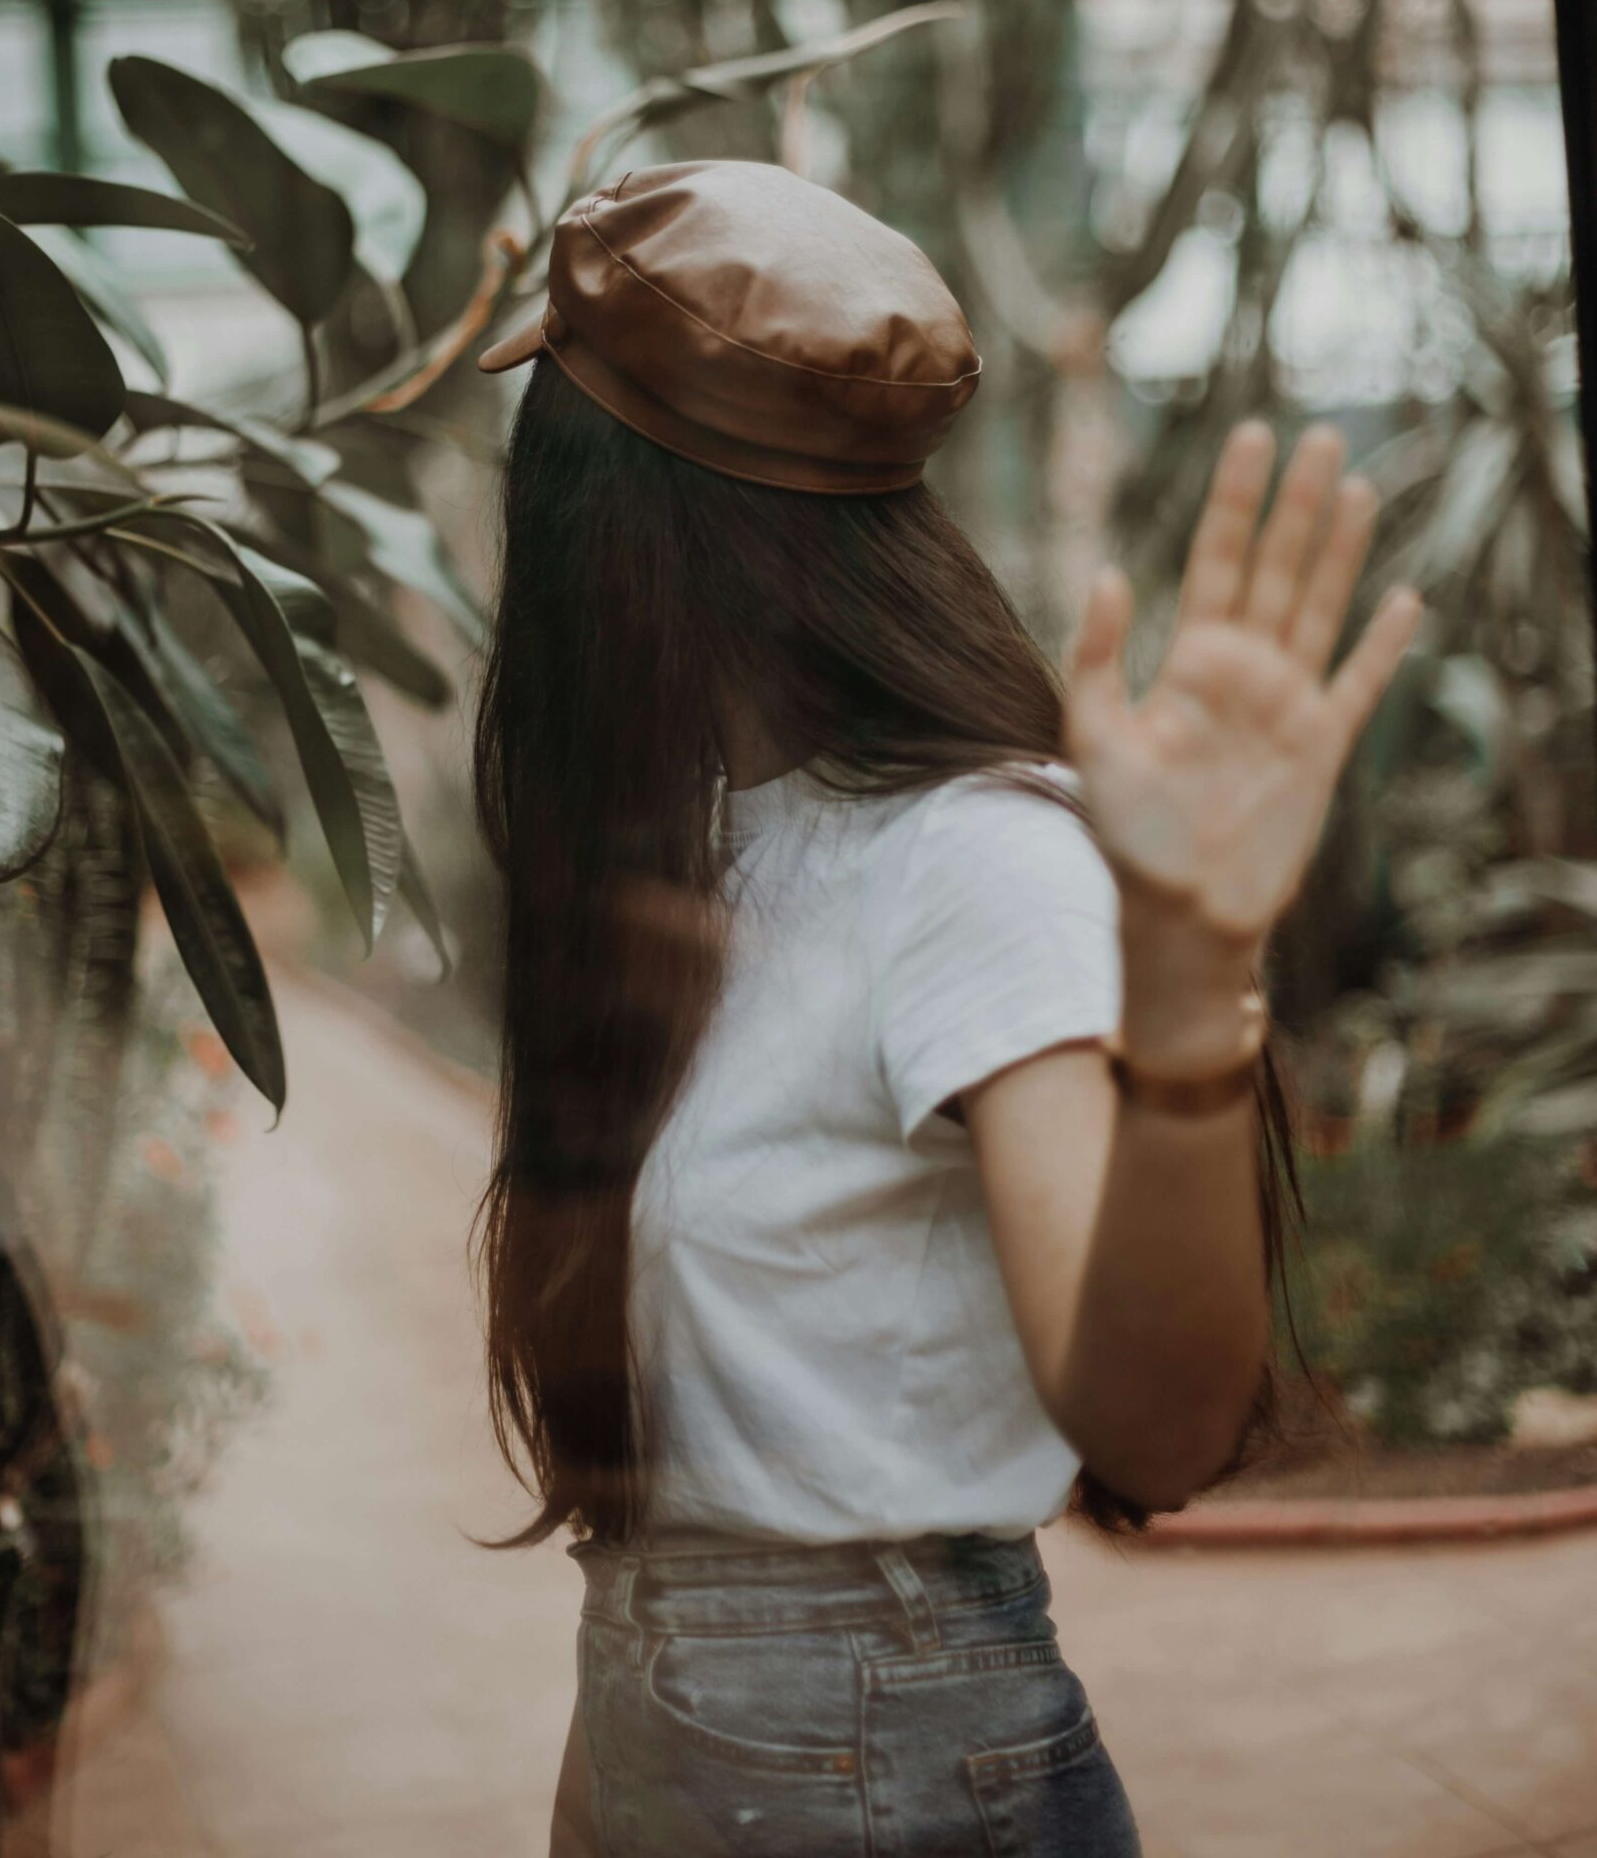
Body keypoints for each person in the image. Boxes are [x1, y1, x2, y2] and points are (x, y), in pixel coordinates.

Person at [471, 160, 1420, 1857]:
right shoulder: (715, 845)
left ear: (603, 514)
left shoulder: (966, 860)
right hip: (697, 1716)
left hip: (879, 1755)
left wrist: (1198, 977)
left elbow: (1157, 1426)